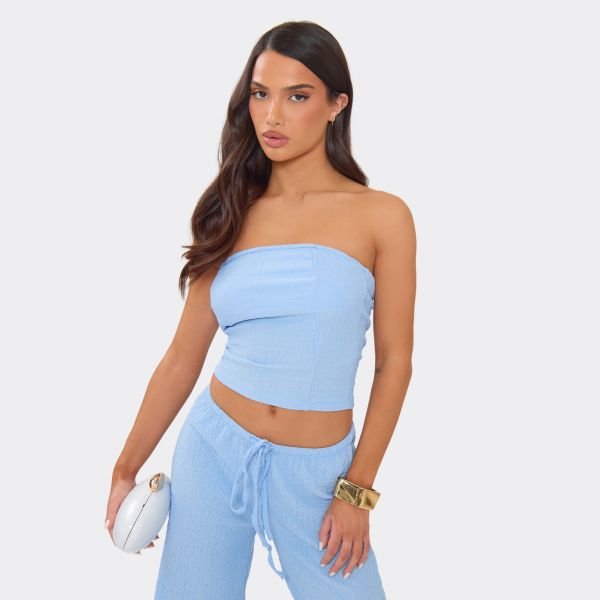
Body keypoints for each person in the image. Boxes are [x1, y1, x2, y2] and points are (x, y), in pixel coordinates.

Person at [105, 20, 416, 600]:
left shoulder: (382, 216)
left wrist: (357, 492)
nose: (272, 115)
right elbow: (181, 358)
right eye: (260, 93)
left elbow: (394, 362)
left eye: (297, 96)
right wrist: (126, 466)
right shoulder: (230, 209)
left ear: (336, 104)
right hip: (213, 450)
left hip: (319, 476)